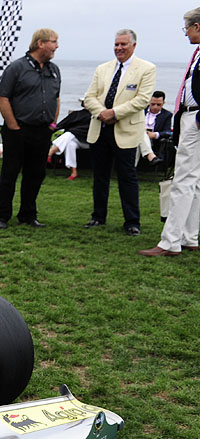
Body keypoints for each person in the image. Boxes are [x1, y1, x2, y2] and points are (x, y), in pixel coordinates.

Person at [82, 29, 156, 236]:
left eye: (123, 44)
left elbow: (142, 100)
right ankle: (98, 217)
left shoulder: (147, 68)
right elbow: (89, 97)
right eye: (116, 44)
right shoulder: (102, 68)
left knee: (127, 177)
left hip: (126, 131)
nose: (119, 48)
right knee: (100, 177)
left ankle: (132, 222)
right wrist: (102, 113)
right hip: (100, 129)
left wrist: (115, 113)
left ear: (134, 45)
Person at [138, 8, 200, 257]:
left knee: (183, 180)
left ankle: (170, 241)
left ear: (197, 26)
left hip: (195, 118)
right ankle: (189, 236)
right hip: (191, 116)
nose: (185, 34)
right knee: (195, 181)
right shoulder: (198, 53)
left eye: (187, 28)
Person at [0, 28, 61, 229]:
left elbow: (56, 98)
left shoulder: (54, 70)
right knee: (10, 174)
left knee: (35, 174)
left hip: (42, 131)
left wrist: (53, 124)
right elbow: (2, 98)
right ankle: (1, 215)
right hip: (18, 130)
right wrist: (14, 127)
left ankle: (28, 215)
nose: (56, 46)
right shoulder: (17, 68)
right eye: (53, 42)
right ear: (40, 43)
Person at [48, 107, 90, 180]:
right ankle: (74, 172)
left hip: (89, 142)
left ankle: (50, 152)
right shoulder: (76, 114)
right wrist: (48, 132)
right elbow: (60, 125)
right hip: (75, 140)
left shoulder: (96, 116)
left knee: (70, 133)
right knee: (70, 144)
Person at [137, 91, 173, 163]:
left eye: (158, 105)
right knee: (141, 134)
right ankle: (151, 156)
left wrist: (155, 134)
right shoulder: (141, 110)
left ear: (163, 103)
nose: (155, 107)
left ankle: (132, 167)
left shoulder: (167, 115)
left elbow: (168, 132)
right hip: (137, 136)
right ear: (149, 102)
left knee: (140, 138)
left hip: (153, 141)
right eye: (153, 104)